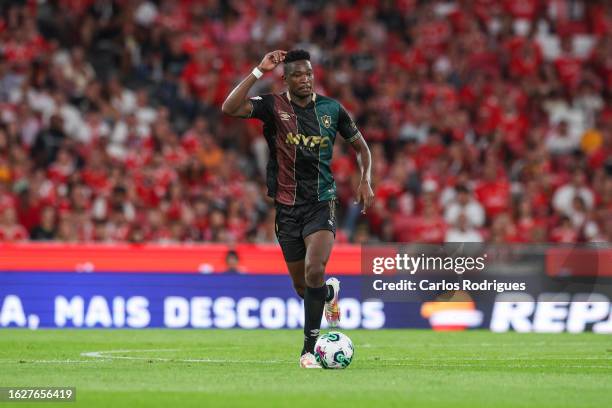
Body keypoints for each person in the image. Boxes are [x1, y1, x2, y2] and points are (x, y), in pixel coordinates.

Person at [222, 49, 374, 368]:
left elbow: (361, 147)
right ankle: (328, 297)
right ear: (286, 79)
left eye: (309, 74)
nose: (305, 79)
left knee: (314, 269)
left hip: (321, 202)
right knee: (304, 287)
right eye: (298, 75)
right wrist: (257, 71)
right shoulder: (273, 106)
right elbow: (230, 107)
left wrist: (365, 179)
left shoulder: (332, 109)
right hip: (286, 207)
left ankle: (309, 350)